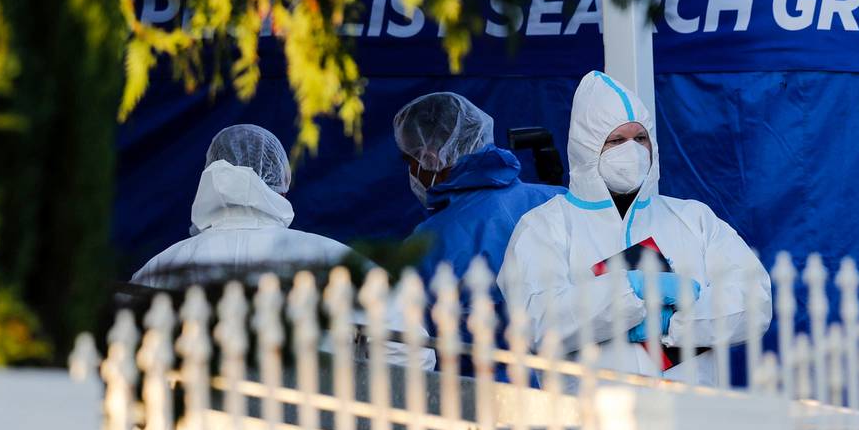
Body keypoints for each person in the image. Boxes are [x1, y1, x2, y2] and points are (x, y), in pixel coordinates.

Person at [499, 71, 772, 384]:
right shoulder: (545, 227)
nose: (631, 151)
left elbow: (755, 301)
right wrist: (629, 291)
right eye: (616, 140)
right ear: (587, 148)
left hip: (692, 419)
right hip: (591, 422)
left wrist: (675, 324)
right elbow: (537, 323)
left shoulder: (694, 219)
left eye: (640, 138)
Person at [132, 125, 362, 290]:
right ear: (281, 185)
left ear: (211, 178)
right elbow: (394, 339)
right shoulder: (331, 257)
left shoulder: (163, 265)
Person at [394, 93, 565, 282]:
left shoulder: (427, 245)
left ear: (431, 158)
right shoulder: (560, 201)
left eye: (410, 160)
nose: (411, 171)